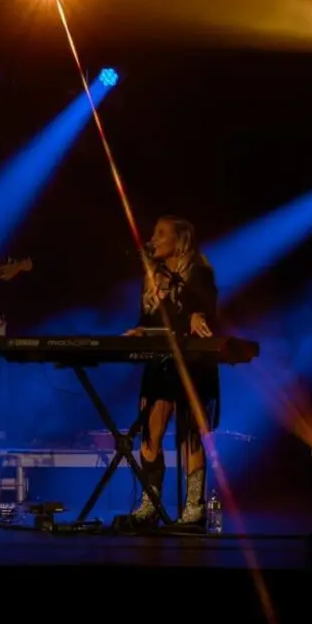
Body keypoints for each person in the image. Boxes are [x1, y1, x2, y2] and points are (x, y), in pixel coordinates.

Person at [125, 215, 220, 525]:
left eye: (161, 233)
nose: (155, 239)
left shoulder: (198, 272)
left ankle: (194, 506)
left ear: (180, 240)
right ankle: (149, 503)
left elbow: (204, 309)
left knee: (189, 433)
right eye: (154, 233)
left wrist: (195, 316)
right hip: (161, 359)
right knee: (150, 432)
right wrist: (140, 331)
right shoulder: (151, 277)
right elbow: (150, 319)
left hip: (191, 361)